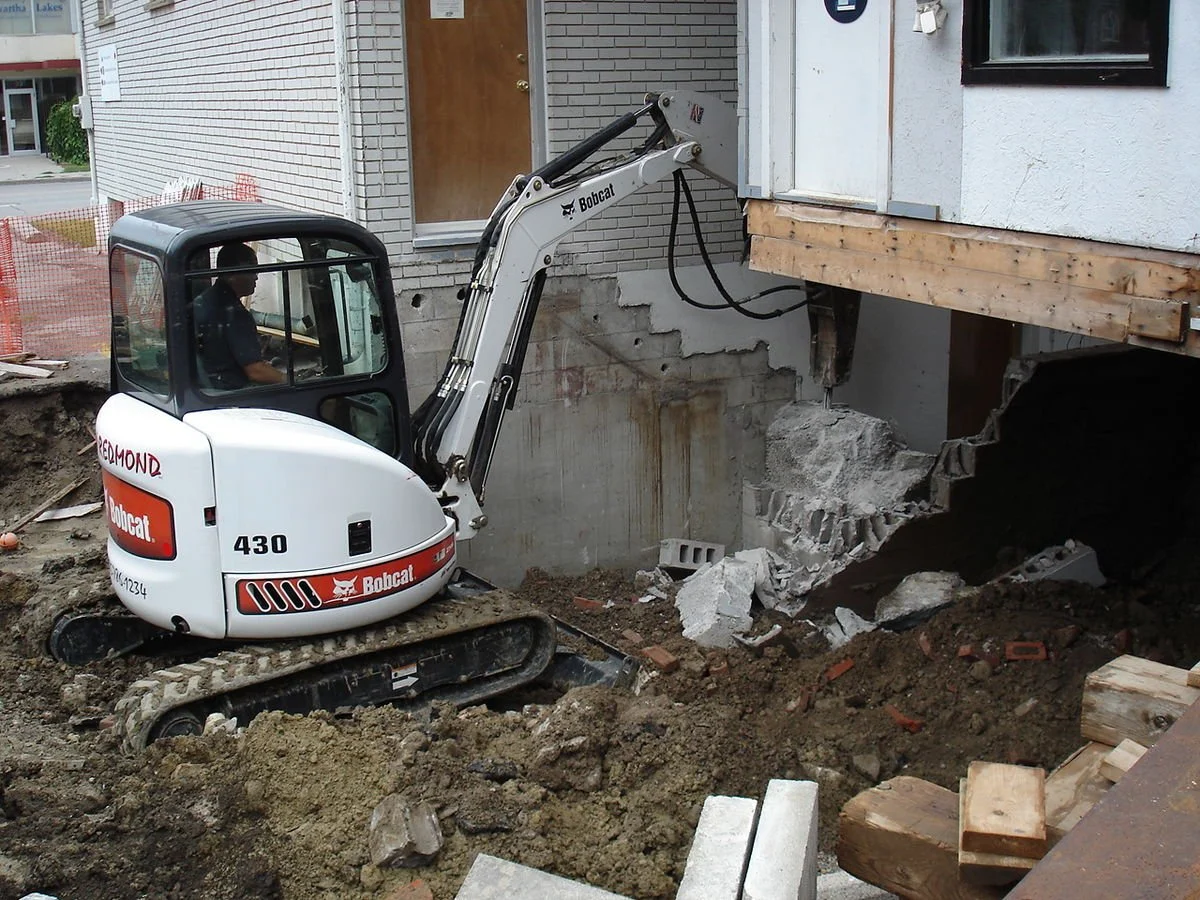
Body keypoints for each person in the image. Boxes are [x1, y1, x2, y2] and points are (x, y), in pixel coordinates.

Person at [192, 243, 285, 390]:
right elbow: (256, 371)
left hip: (205, 385)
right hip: (228, 392)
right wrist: (291, 380)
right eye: (252, 270)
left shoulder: (202, 301)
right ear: (232, 274)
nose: (256, 276)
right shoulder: (234, 314)